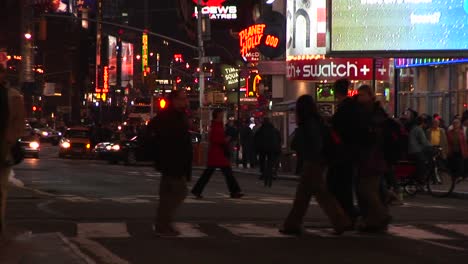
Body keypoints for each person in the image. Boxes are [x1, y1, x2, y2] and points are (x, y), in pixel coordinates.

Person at [281, 95, 351, 236]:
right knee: (310, 194)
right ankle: (339, 221)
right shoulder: (316, 121)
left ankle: (340, 221)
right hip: (316, 161)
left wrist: (309, 154)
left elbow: (314, 143)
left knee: (313, 194)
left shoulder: (309, 123)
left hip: (313, 162)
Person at [147, 90, 192, 236]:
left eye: (186, 99)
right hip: (173, 160)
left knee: (167, 195)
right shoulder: (170, 117)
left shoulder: (176, 115)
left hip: (172, 161)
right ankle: (163, 224)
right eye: (182, 99)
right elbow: (169, 138)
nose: (186, 102)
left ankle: (163, 224)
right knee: (178, 192)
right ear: (174, 100)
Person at [353, 85, 392, 232]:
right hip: (368, 157)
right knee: (370, 190)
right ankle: (373, 221)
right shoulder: (368, 111)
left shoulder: (373, 113)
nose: (360, 97)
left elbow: (371, 135)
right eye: (359, 95)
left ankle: (381, 215)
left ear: (370, 96)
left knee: (366, 189)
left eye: (362, 95)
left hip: (372, 157)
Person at [191, 109, 244, 199]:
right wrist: (226, 140)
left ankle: (197, 190)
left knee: (210, 174)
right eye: (221, 115)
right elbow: (216, 139)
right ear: (218, 115)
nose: (222, 117)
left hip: (217, 154)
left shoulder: (217, 125)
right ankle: (234, 191)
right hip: (217, 154)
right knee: (226, 174)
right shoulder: (216, 126)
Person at [329, 78, 360, 221]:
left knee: (338, 186)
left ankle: (349, 214)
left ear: (336, 92)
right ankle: (349, 214)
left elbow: (338, 130)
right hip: (352, 151)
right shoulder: (354, 107)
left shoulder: (344, 109)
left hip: (342, 153)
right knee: (346, 185)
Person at [0, 64, 25, 238]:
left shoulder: (13, 96)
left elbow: (18, 124)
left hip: (2, 148)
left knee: (1, 189)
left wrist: (9, 141)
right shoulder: (13, 96)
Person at [254, 118, 281, 187]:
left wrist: (256, 149)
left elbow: (255, 139)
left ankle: (263, 172)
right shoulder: (274, 130)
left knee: (262, 160)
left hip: (262, 149)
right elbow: (279, 139)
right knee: (270, 161)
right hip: (272, 149)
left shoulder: (260, 130)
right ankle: (271, 171)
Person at [408, 116, 433, 184]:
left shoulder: (414, 128)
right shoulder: (419, 129)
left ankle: (417, 177)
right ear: (422, 123)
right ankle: (419, 178)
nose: (426, 125)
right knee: (423, 161)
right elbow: (424, 141)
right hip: (415, 150)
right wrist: (432, 146)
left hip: (413, 150)